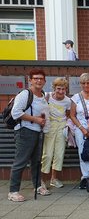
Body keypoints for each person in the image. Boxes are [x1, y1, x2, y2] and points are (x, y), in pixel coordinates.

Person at [8, 69, 50, 202]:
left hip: (38, 132)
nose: (38, 80)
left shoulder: (42, 94)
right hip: (25, 131)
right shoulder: (25, 94)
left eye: (41, 78)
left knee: (37, 161)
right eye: (35, 78)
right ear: (30, 80)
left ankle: (37, 186)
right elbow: (16, 113)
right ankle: (13, 191)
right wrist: (36, 119)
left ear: (44, 81)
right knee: (21, 161)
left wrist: (43, 123)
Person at [40, 78, 71, 192]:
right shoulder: (47, 96)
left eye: (63, 89)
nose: (61, 91)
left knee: (59, 154)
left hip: (61, 127)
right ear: (54, 88)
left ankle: (54, 178)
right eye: (58, 88)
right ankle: (42, 181)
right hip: (49, 127)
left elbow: (68, 114)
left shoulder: (68, 101)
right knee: (47, 155)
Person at [69, 73, 89, 190]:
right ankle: (86, 176)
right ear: (80, 84)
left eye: (88, 83)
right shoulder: (75, 98)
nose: (86, 85)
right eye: (83, 83)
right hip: (80, 129)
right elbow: (72, 115)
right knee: (83, 153)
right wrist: (82, 128)